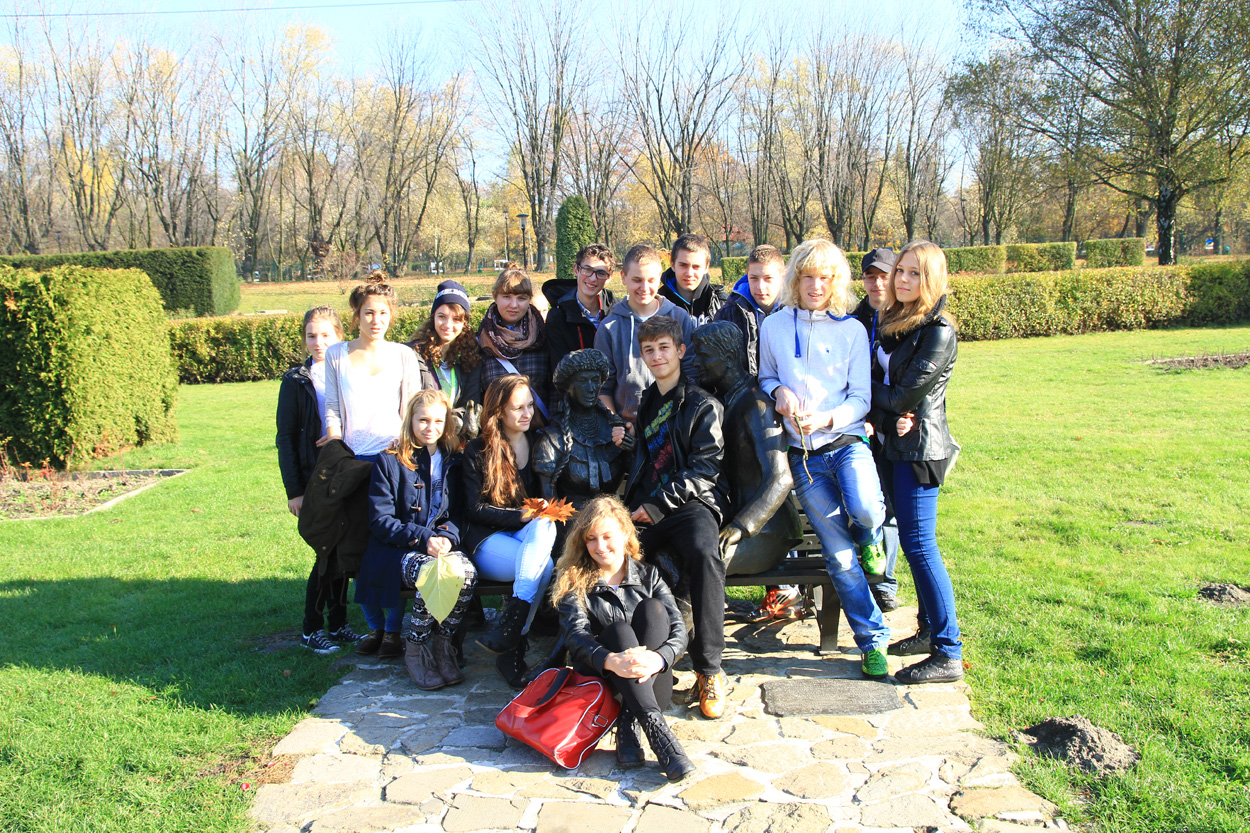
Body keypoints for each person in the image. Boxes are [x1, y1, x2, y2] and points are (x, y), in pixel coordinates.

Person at [757, 238, 891, 680]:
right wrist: (779, 390)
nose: (816, 286)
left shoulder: (852, 330)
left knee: (867, 510)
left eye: (825, 278)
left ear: (837, 282)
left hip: (847, 444)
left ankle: (871, 537)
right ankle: (873, 640)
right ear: (796, 279)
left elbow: (861, 398)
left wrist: (830, 417)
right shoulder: (774, 326)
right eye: (808, 277)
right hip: (805, 460)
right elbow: (766, 375)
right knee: (840, 558)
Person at [620, 316, 730, 719]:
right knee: (613, 555)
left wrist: (656, 505)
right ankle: (618, 656)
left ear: (680, 351)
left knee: (704, 555)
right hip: (647, 505)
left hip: (691, 504)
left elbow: (704, 469)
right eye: (648, 350)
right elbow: (645, 459)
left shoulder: (703, 405)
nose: (657, 356)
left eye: (664, 347)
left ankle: (709, 671)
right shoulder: (647, 401)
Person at [872, 240, 964, 684]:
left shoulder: (937, 331)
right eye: (901, 271)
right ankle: (928, 631)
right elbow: (885, 392)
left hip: (920, 450)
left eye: (915, 273)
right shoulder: (893, 319)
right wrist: (881, 407)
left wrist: (859, 389)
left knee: (922, 546)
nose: (903, 279)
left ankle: (949, 651)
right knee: (913, 545)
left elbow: (902, 395)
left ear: (932, 280)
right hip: (894, 443)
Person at [554, 495, 695, 781]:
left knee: (654, 610)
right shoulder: (574, 580)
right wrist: (610, 660)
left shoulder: (650, 576)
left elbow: (679, 629)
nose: (600, 546)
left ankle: (629, 722)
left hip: (652, 682)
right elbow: (575, 635)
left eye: (607, 536)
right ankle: (660, 737)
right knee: (619, 632)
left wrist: (658, 659)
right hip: (606, 688)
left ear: (625, 534)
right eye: (592, 539)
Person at [323, 272, 423, 658]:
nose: (375, 320)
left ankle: (394, 630)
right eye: (368, 313)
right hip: (352, 462)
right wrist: (335, 441)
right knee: (358, 547)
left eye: (382, 313)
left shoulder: (403, 355)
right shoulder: (337, 355)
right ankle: (374, 626)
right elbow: (333, 407)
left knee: (390, 545)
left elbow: (412, 407)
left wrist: (405, 448)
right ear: (356, 315)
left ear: (391, 315)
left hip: (393, 461)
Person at [359, 390, 477, 690]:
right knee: (431, 573)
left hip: (441, 546)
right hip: (397, 550)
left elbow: (459, 512)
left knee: (467, 574)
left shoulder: (453, 460)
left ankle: (443, 645)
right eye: (423, 420)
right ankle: (416, 648)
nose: (430, 427)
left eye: (438, 421)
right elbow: (380, 520)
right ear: (410, 420)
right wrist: (424, 538)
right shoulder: (389, 461)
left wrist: (448, 536)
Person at [462, 375, 558, 687]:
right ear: (499, 411)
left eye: (530, 405)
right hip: (486, 541)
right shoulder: (478, 450)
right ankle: (515, 643)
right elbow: (473, 509)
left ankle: (510, 631)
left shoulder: (540, 442)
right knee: (545, 566)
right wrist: (520, 516)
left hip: (526, 538)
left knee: (545, 521)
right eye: (518, 408)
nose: (527, 413)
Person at [277, 306, 362, 654]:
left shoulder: (350, 371)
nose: (318, 342)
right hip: (317, 478)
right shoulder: (296, 381)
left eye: (326, 335)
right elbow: (286, 438)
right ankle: (312, 628)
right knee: (325, 552)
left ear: (340, 336)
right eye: (311, 335)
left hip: (350, 473)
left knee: (343, 549)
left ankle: (338, 623)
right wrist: (295, 491)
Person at [595, 244, 696, 426]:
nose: (644, 287)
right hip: (630, 426)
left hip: (675, 422)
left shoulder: (679, 317)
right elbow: (604, 388)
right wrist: (617, 424)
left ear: (659, 279)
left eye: (651, 280)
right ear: (623, 277)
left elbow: (691, 373)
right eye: (637, 280)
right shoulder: (609, 327)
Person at [853, 248, 902, 614]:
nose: (876, 283)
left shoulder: (907, 320)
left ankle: (885, 584)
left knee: (890, 507)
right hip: (858, 424)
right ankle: (863, 578)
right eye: (870, 276)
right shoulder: (854, 319)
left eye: (883, 276)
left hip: (895, 423)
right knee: (864, 503)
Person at [408, 280, 483, 443]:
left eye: (456, 319)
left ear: (464, 323)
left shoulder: (471, 356)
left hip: (454, 441)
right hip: (421, 439)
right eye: (442, 316)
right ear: (433, 317)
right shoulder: (413, 354)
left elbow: (470, 402)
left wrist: (452, 421)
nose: (448, 325)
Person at [478, 268, 552, 425]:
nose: (514, 305)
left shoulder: (544, 336)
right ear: (495, 297)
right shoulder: (481, 341)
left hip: (541, 429)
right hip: (498, 431)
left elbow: (556, 388)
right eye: (507, 297)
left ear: (529, 299)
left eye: (521, 298)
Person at [714, 243, 785, 379]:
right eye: (754, 278)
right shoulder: (728, 314)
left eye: (768, 278)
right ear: (747, 275)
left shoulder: (797, 311)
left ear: (782, 277)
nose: (760, 287)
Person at [545, 244, 617, 371]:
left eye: (601, 273)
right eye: (587, 269)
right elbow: (559, 369)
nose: (593, 278)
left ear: (609, 277)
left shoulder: (617, 312)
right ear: (576, 269)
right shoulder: (558, 316)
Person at [660, 233, 725, 326]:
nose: (689, 273)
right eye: (683, 265)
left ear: (706, 267)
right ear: (673, 265)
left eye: (696, 266)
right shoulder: (657, 303)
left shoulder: (722, 304)